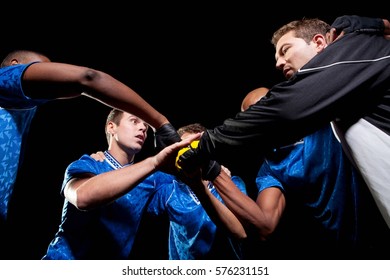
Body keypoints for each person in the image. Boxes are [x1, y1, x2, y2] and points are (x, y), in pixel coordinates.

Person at [176, 15, 390, 228]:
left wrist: (200, 147)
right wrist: (212, 169)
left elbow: (281, 110)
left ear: (318, 42)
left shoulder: (347, 61)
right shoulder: (274, 162)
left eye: (285, 50)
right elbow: (264, 225)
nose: (278, 63)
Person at [0, 50, 180, 230]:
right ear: (15, 65)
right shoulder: (4, 78)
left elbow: (79, 88)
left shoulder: (22, 106)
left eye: (145, 127)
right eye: (40, 68)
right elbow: (88, 78)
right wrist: (160, 123)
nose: (51, 74)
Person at [228, 87, 390, 259]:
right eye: (253, 113)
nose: (262, 113)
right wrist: (215, 174)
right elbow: (265, 225)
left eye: (266, 104)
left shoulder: (320, 119)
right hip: (345, 250)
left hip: (381, 222)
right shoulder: (270, 168)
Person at [41, 109, 197, 259]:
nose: (143, 127)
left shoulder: (152, 178)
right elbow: (82, 198)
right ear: (111, 127)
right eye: (134, 121)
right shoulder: (88, 164)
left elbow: (195, 176)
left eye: (146, 126)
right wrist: (154, 162)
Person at [144, 123, 248, 260]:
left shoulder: (232, 183)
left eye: (198, 147)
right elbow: (131, 196)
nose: (192, 154)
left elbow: (241, 233)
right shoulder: (170, 189)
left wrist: (217, 177)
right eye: (185, 147)